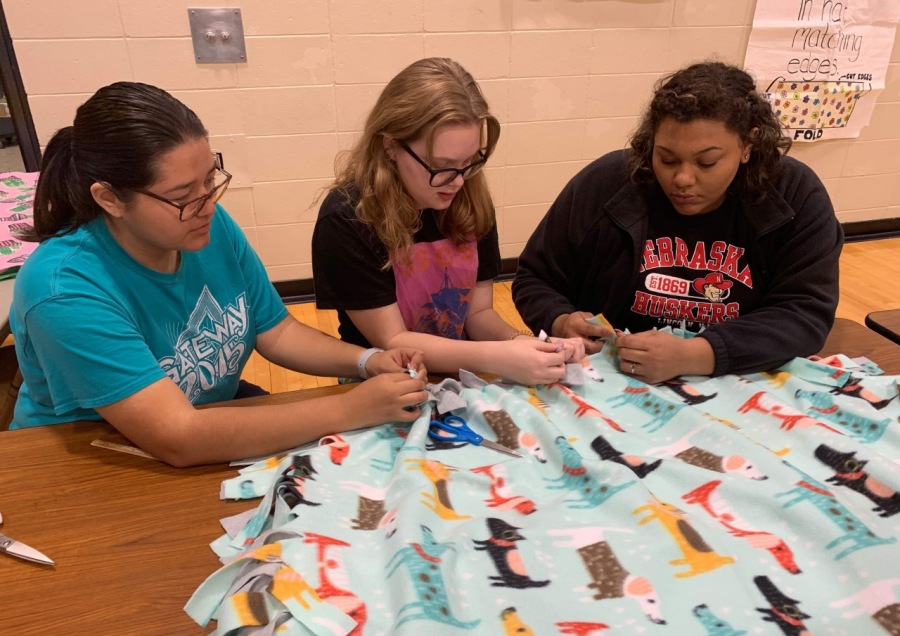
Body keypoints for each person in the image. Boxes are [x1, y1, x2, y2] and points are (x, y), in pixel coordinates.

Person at [11, 82, 427, 467]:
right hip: (97, 458)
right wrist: (350, 408)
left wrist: (367, 361)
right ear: (109, 199)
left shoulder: (202, 225)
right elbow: (179, 437)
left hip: (204, 416)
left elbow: (275, 331)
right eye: (182, 196)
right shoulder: (64, 291)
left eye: (210, 179)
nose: (207, 204)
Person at [512, 61, 843, 383]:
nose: (682, 178)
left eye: (707, 162)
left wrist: (697, 354)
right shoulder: (607, 182)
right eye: (666, 158)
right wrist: (559, 320)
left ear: (748, 145)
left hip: (741, 378)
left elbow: (805, 313)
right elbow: (535, 277)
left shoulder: (795, 194)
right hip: (611, 380)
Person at [312, 58, 582, 385]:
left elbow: (477, 314)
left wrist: (527, 345)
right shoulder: (348, 216)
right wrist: (501, 357)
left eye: (468, 162)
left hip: (462, 368)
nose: (457, 181)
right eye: (442, 166)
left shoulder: (470, 199)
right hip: (381, 383)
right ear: (390, 146)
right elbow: (393, 341)